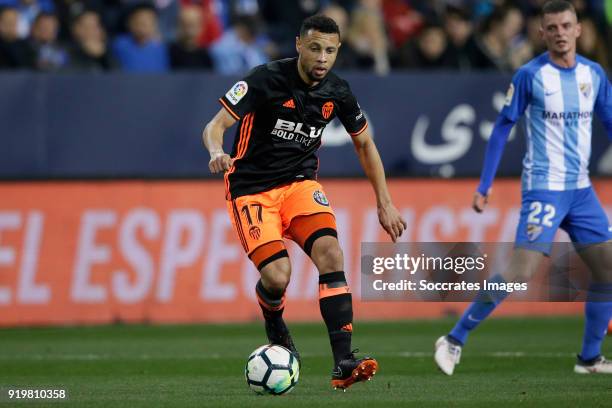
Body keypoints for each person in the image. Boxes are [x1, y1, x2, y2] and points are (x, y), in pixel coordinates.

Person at [202, 14, 406, 389]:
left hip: (299, 185)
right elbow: (214, 125)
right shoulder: (265, 79)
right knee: (278, 277)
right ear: (298, 45)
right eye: (314, 48)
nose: (322, 58)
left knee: (331, 253)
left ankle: (343, 362)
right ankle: (274, 318)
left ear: (338, 51)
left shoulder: (338, 92)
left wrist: (385, 203)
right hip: (251, 188)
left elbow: (364, 144)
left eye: (330, 50)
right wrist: (217, 151)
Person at [434, 0, 612, 375]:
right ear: (542, 33)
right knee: (521, 270)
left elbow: (610, 121)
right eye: (553, 27)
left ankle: (589, 358)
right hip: (544, 189)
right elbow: (502, 127)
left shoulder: (594, 75)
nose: (560, 33)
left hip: (580, 190)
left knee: (608, 268)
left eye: (566, 25)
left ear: (578, 29)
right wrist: (485, 184)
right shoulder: (530, 76)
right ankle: (453, 339)